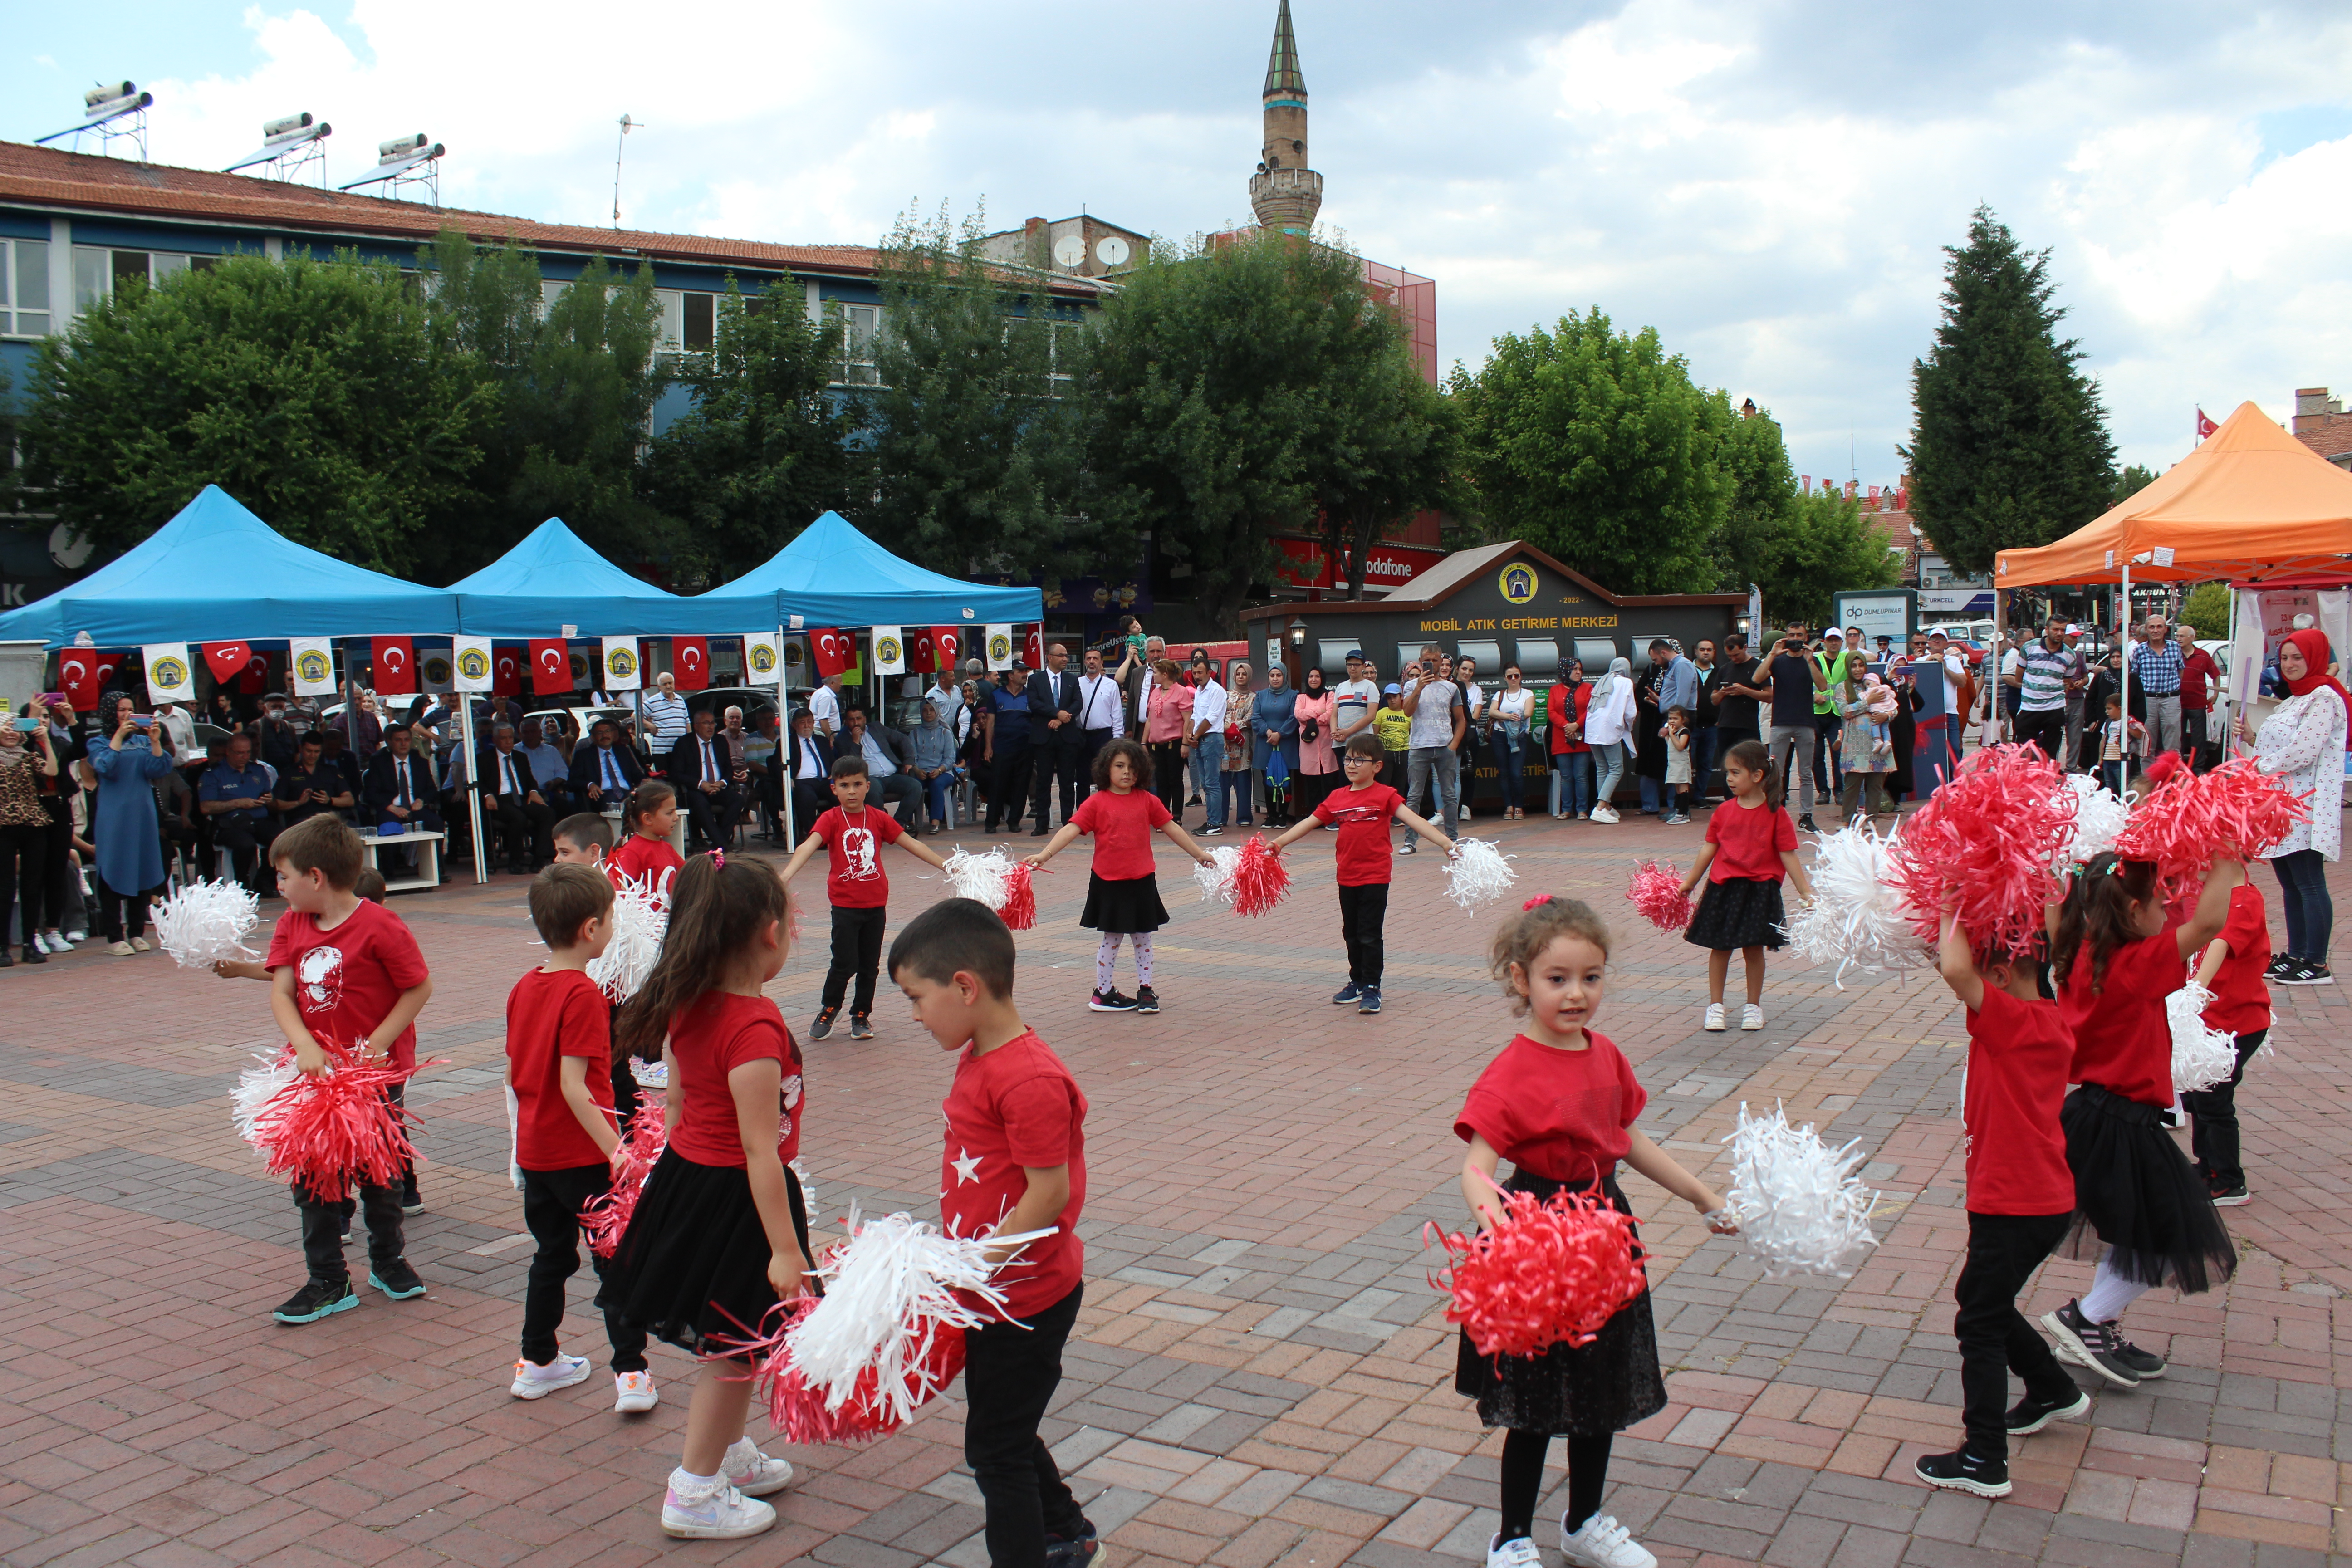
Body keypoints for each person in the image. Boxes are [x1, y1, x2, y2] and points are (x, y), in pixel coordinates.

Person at [1454, 896, 1735, 1568]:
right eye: (1558, 979)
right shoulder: (1511, 1071)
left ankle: (1583, 1523)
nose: (1577, 994)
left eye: (1592, 977)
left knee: (1600, 1391)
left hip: (1605, 1236)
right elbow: (1476, 1168)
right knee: (1532, 1401)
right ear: (1522, 980)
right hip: (1537, 1236)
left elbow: (1626, 1139)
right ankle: (1512, 1536)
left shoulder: (1606, 1055)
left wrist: (1700, 1194)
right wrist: (1506, 1230)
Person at [595, 851, 808, 1540]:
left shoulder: (685, 1001)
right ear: (770, 934)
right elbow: (758, 1147)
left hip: (693, 1181)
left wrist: (676, 1188)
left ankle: (730, 1454)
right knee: (738, 1347)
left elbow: (679, 1102)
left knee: (731, 1342)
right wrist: (783, 1248)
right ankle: (694, 1492)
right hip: (739, 1198)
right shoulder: (754, 1024)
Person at [885, 899, 1094, 1568]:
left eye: (917, 998)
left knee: (995, 1449)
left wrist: (976, 1264)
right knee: (1005, 1427)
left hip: (1025, 1297)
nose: (915, 1016)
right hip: (993, 1289)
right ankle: (1065, 1528)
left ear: (965, 986)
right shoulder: (982, 1053)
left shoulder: (1028, 1077)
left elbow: (1049, 1193)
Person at [2039, 854, 2244, 1392]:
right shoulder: (2134, 965)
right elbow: (2208, 925)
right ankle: (2084, 1319)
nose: (2171, 908)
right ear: (2133, 908)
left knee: (2145, 1228)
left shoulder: (2075, 951)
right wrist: (2226, 857)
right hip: (2122, 1122)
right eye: (2163, 900)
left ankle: (2096, 1319)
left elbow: (2055, 903)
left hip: (2098, 1113)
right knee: (2167, 1232)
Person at [1911, 905, 2087, 1499]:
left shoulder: (2015, 1020)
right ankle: (2052, 1389)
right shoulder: (2043, 1013)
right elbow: (1954, 962)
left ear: (2005, 977)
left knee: (1978, 1321)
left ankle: (1985, 1456)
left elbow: (1957, 968)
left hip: (2014, 1203)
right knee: (1981, 1299)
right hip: (2037, 1199)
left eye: (1983, 977)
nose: (1969, 988)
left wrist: (1951, 894)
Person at [262, 813, 434, 1323]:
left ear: (315, 877)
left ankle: (388, 1259)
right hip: (316, 1076)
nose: (279, 885)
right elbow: (282, 992)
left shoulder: (380, 924)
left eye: (284, 875)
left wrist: (379, 1043)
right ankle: (328, 1279)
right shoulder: (291, 924)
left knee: (380, 1175)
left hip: (375, 1077)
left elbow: (418, 986)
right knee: (316, 1176)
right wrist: (304, 1047)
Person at [504, 863, 658, 1416]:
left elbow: (517, 1078)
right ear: (592, 928)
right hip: (583, 1156)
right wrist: (618, 1152)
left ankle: (537, 1361)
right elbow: (576, 1086)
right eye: (612, 917)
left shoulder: (526, 986)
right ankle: (632, 1373)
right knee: (612, 1260)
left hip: (538, 1153)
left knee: (550, 1257)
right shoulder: (584, 995)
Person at [1266, 731, 1457, 1016]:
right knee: (1351, 932)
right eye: (1348, 759)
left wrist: (1445, 843)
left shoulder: (1385, 796)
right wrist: (1279, 842)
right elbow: (1310, 822)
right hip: (1347, 876)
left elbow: (1414, 820)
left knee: (1370, 933)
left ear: (1377, 767)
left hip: (1376, 876)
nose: (1352, 765)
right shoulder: (1337, 797)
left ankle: (1372, 987)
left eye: (1359, 760)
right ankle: (1356, 981)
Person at [1024, 738, 1215, 1015]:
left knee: (1143, 937)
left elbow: (1171, 828)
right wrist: (1045, 854)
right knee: (1111, 938)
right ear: (1106, 769)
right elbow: (1071, 829)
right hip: (1108, 881)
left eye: (1132, 767)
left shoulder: (1148, 800)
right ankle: (1103, 993)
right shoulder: (1096, 802)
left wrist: (1198, 854)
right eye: (1120, 766)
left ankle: (1146, 991)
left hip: (1142, 879)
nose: (1127, 772)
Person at [779, 753, 952, 1043]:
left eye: (858, 784)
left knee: (869, 965)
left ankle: (861, 1016)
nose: (851, 792)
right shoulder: (831, 819)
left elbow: (911, 844)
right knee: (844, 963)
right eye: (844, 786)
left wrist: (948, 866)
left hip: (875, 906)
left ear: (868, 786)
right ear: (834, 788)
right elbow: (808, 846)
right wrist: (784, 877)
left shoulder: (878, 818)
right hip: (845, 907)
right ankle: (829, 1009)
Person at [1677, 739, 1817, 1033]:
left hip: (1760, 890)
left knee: (1754, 950)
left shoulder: (1776, 813)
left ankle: (1753, 1007)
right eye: (1727, 772)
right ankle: (1716, 1007)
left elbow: (1788, 855)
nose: (1728, 779)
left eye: (1735, 772)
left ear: (1757, 776)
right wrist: (1690, 882)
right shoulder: (1723, 812)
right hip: (1724, 888)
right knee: (1721, 948)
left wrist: (1805, 892)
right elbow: (1708, 848)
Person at [2239, 627, 2346, 984]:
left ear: (2316, 658)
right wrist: (2253, 739)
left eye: (2298, 657)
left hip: (2307, 805)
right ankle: (2297, 952)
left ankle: (2316, 962)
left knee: (2309, 881)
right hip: (2282, 805)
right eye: (2284, 658)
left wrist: (2258, 766)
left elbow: (2304, 751)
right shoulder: (2294, 699)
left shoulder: (2325, 699)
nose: (2290, 665)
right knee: (2290, 882)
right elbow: (2280, 745)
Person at [2183, 862, 2270, 1207]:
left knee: (2215, 1099)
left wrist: (2194, 992)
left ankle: (2230, 1180)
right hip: (2213, 1020)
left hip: (2238, 1022)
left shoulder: (2245, 900)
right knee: (2200, 1094)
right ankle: (2208, 1166)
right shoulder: (2221, 895)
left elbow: (2220, 942)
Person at [88, 693, 173, 956]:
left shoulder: (141, 742)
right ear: (109, 714)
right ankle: (115, 936)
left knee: (142, 868)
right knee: (113, 868)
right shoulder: (97, 742)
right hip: (115, 818)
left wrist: (156, 742)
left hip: (143, 817)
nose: (127, 715)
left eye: (131, 710)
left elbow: (158, 769)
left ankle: (137, 932)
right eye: (121, 710)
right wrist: (117, 737)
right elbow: (105, 766)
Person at [0, 713, 59, 965]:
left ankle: (29, 943)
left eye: (16, 728)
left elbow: (52, 771)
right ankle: (3, 947)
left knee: (32, 886)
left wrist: (45, 738)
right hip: (3, 826)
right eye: (6, 728)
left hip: (33, 824)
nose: (12, 733)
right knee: (4, 888)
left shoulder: (28, 756)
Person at [1759, 622, 1823, 831]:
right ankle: (1773, 813)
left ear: (1806, 638)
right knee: (1776, 771)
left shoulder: (1812, 660)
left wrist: (1810, 661)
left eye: (1800, 636)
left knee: (1805, 772)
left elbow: (1822, 686)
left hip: (1805, 723)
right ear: (1785, 638)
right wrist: (1772, 654)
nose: (1795, 639)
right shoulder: (1777, 660)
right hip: (1780, 722)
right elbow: (1757, 678)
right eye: (1791, 635)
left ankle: (1806, 816)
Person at [200, 732, 279, 896]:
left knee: (282, 840)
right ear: (228, 752)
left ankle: (264, 881)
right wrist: (238, 803)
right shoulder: (213, 774)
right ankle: (242, 885)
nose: (245, 757)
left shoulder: (258, 771)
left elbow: (271, 802)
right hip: (228, 823)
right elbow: (206, 808)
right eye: (240, 753)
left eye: (248, 753)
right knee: (245, 844)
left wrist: (269, 799)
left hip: (258, 819)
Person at [1400, 644, 1464, 848]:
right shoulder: (1411, 685)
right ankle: (1410, 841)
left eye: (1435, 660)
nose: (1432, 664)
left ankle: (1452, 840)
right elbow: (1408, 712)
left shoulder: (1451, 687)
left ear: (1441, 661)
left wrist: (1453, 745)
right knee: (1414, 795)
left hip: (1444, 745)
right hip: (1419, 745)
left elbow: (1461, 720)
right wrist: (1419, 686)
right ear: (1421, 662)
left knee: (1449, 795)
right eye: (1427, 661)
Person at [480, 723, 556, 875]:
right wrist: (488, 795)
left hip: (521, 798)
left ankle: (539, 858)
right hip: (500, 800)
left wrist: (534, 791)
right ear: (495, 740)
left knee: (547, 813)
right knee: (518, 818)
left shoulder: (521, 757)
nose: (508, 742)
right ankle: (515, 861)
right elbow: (477, 782)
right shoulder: (484, 759)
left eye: (510, 738)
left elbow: (530, 780)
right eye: (503, 739)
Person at [1027, 643, 1086, 834]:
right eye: (1061, 656)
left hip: (1067, 737)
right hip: (1043, 738)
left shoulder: (1072, 679)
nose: (1065, 660)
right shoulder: (1036, 680)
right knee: (1043, 781)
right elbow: (1034, 703)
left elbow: (1078, 703)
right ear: (1049, 657)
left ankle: (1068, 822)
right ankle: (1042, 823)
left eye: (1067, 656)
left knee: (1067, 782)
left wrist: (1062, 719)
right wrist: (1056, 713)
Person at [667, 710, 746, 853]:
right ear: (696, 726)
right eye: (706, 723)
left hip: (718, 787)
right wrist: (700, 784)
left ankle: (718, 843)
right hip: (694, 790)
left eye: (713, 723)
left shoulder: (720, 741)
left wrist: (722, 782)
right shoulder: (684, 743)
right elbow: (675, 774)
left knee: (738, 800)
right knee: (700, 803)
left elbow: (729, 769)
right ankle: (722, 844)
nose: (711, 727)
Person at [839, 706, 924, 835]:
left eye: (859, 719)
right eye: (852, 720)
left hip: (892, 775)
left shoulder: (877, 728)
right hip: (870, 778)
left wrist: (908, 761)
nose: (856, 723)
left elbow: (903, 739)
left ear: (865, 719)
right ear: (846, 722)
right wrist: (856, 742)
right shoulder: (842, 740)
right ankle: (880, 827)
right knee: (872, 789)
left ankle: (898, 824)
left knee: (915, 786)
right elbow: (852, 765)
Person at [981, 664, 1038, 835]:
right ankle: (991, 822)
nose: (1025, 675)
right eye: (1020, 672)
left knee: (1021, 786)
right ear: (1011, 676)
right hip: (1002, 748)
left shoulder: (1031, 696)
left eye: (1026, 671)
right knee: (998, 785)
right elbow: (990, 723)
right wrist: (988, 747)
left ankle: (1014, 821)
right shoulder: (996, 695)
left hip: (1025, 748)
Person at [1834, 671, 1895, 819]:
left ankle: (1871, 820)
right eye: (1853, 666)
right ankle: (1846, 821)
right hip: (1855, 743)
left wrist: (1887, 716)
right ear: (1848, 667)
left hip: (1877, 744)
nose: (1857, 669)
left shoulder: (1874, 682)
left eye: (1861, 665)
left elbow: (1893, 707)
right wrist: (1868, 702)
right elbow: (1845, 712)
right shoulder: (1843, 688)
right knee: (1852, 784)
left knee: (1875, 784)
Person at [1582, 658, 1636, 825]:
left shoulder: (1604, 679)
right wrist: (1629, 726)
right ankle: (1600, 807)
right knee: (1616, 768)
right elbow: (1631, 712)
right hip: (1609, 728)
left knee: (1602, 768)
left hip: (1592, 728)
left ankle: (1607, 807)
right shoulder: (1626, 682)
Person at [2127, 614, 2184, 760]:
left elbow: (2181, 671)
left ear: (2165, 629)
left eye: (2159, 627)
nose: (2156, 630)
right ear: (2146, 630)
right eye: (2152, 627)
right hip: (2147, 701)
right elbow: (2135, 676)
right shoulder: (2140, 651)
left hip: (2171, 699)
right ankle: (2147, 781)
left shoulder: (2175, 647)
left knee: (2173, 745)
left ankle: (2173, 778)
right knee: (2146, 744)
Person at [1251, 663, 1301, 828]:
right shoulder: (1261, 695)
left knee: (1285, 781)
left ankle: (1283, 815)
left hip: (1285, 744)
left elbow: (1294, 717)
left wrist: (1280, 734)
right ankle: (1271, 815)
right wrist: (1268, 732)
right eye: (1272, 676)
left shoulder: (1293, 695)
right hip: (1266, 743)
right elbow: (1256, 717)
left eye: (1278, 675)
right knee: (1268, 781)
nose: (1275, 679)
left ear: (1284, 676)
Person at [1142, 661, 1191, 821]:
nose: (1153, 675)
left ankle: (1177, 815)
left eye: (1156, 673)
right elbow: (1150, 720)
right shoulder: (1155, 693)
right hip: (1157, 744)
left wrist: (1185, 744)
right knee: (1161, 781)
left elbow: (1187, 720)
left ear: (1165, 675)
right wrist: (1144, 743)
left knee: (1175, 780)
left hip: (1174, 742)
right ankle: (1163, 816)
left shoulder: (1181, 692)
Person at [1072, 645, 1125, 791]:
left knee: (1105, 776)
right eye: (1088, 658)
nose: (1092, 662)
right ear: (1084, 662)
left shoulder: (1111, 685)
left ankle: (1106, 810)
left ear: (1102, 662)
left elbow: (1117, 714)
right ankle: (1084, 810)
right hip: (1082, 736)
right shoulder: (1077, 683)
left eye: (1095, 658)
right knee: (1082, 777)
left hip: (1104, 735)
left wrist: (1117, 738)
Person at [272, 733, 354, 828]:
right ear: (301, 749)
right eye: (309, 751)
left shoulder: (331, 771)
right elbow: (276, 805)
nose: (313, 755)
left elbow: (350, 800)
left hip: (332, 820)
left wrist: (330, 800)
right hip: (304, 822)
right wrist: (298, 803)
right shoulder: (289, 773)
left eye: (317, 752)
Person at [1185, 660, 1230, 832]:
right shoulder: (1199, 691)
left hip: (1211, 740)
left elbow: (1211, 718)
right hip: (1200, 741)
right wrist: (1189, 735)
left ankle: (1215, 823)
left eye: (1200, 673)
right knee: (1206, 785)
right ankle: (1211, 821)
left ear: (1209, 673)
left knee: (1212, 784)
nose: (1197, 677)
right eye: (1194, 673)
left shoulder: (1217, 691)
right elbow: (1195, 715)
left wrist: (1195, 736)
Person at [1291, 666, 1339, 824]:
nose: (1314, 680)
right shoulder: (1301, 697)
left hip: (1327, 747)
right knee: (1312, 786)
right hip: (1309, 749)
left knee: (1330, 784)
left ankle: (1331, 818)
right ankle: (1316, 820)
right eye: (1311, 676)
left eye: (1317, 677)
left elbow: (1330, 715)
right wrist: (1319, 711)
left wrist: (1310, 720)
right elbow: (1298, 714)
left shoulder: (1329, 695)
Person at [570, 718, 647, 812]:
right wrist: (590, 785)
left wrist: (644, 781)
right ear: (593, 737)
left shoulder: (623, 751)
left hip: (628, 792)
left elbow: (637, 775)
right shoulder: (584, 755)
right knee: (614, 799)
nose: (604, 736)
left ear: (612, 734)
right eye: (600, 733)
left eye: (607, 732)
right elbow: (572, 781)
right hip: (603, 794)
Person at [909, 699, 963, 833]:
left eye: (931, 710)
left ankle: (935, 822)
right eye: (925, 711)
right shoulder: (915, 733)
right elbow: (911, 757)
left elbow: (950, 759)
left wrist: (939, 770)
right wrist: (916, 770)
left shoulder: (945, 733)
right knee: (911, 786)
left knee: (936, 784)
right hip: (920, 772)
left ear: (937, 712)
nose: (928, 714)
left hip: (944, 772)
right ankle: (908, 821)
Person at [1217, 661, 1258, 834]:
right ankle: (1220, 817)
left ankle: (1244, 817)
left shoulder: (1254, 697)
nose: (1241, 677)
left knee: (1243, 783)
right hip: (1225, 745)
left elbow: (1250, 719)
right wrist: (1225, 730)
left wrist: (1231, 728)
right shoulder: (1226, 695)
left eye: (1244, 674)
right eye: (1238, 674)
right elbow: (1219, 715)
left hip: (1242, 745)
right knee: (1223, 783)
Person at [1548, 659, 1592, 820]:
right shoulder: (1555, 690)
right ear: (1565, 671)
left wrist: (1577, 725)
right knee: (1566, 777)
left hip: (1582, 738)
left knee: (1581, 775)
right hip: (1562, 738)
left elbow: (1590, 710)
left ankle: (1582, 810)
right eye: (1574, 669)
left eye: (1580, 669)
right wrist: (1567, 726)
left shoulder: (1588, 688)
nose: (1578, 672)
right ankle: (1566, 809)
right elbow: (1552, 712)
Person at [1808, 630, 1849, 804]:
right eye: (1830, 640)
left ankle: (1839, 791)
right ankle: (1823, 791)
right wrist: (1813, 695)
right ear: (1825, 642)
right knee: (1817, 755)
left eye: (1837, 640)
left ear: (1842, 642)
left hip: (1836, 714)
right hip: (1816, 713)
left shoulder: (1846, 659)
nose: (1834, 643)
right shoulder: (1815, 660)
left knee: (1838, 753)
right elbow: (1804, 683)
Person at [1490, 665, 1536, 820]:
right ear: (1505, 678)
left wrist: (1504, 715)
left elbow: (1528, 712)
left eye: (1516, 676)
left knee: (1516, 773)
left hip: (1519, 737)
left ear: (1521, 676)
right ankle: (1508, 807)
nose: (1513, 679)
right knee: (1504, 773)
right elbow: (1492, 711)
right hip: (1500, 736)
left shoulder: (1527, 694)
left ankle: (1519, 807)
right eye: (1510, 676)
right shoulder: (1500, 694)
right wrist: (1510, 716)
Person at [782, 710, 835, 838]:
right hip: (802, 781)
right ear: (794, 725)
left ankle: (836, 832)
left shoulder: (822, 741)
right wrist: (789, 778)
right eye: (802, 722)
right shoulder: (786, 743)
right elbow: (778, 765)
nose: (807, 726)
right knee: (808, 798)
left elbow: (833, 761)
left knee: (841, 795)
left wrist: (835, 773)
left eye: (810, 722)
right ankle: (815, 836)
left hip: (824, 780)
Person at [2178, 625, 2220, 773]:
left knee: (2199, 740)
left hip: (2198, 704)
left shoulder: (2203, 655)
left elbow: (2216, 675)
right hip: (2177, 704)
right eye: (2177, 636)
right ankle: (2179, 769)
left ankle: (2197, 770)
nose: (2178, 639)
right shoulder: (2175, 654)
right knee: (2179, 739)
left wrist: (2215, 695)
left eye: (2182, 636)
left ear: (2192, 638)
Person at [1331, 650, 1379, 760]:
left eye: (1357, 665)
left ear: (1363, 666)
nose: (1353, 668)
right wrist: (1335, 733)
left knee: (1360, 775)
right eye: (1350, 665)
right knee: (1344, 776)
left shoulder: (1370, 687)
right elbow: (1334, 715)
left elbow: (1371, 716)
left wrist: (1348, 732)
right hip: (1341, 743)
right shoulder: (1341, 687)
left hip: (1362, 741)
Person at [1375, 684, 1411, 796]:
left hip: (1404, 751)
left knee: (1400, 785)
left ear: (1401, 697)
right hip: (1386, 752)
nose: (1392, 700)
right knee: (1384, 784)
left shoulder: (1408, 713)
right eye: (1389, 698)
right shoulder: (1381, 712)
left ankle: (1398, 812)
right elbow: (1375, 734)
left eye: (1395, 697)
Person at [1661, 706, 1693, 824]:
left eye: (1676, 719)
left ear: (1683, 720)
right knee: (1677, 788)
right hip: (1673, 764)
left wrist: (1672, 734)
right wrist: (1667, 736)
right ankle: (1678, 810)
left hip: (1682, 764)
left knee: (1683, 787)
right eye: (1670, 719)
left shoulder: (1685, 731)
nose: (1672, 721)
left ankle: (1683, 814)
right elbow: (1671, 745)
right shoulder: (1673, 732)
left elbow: (1680, 747)